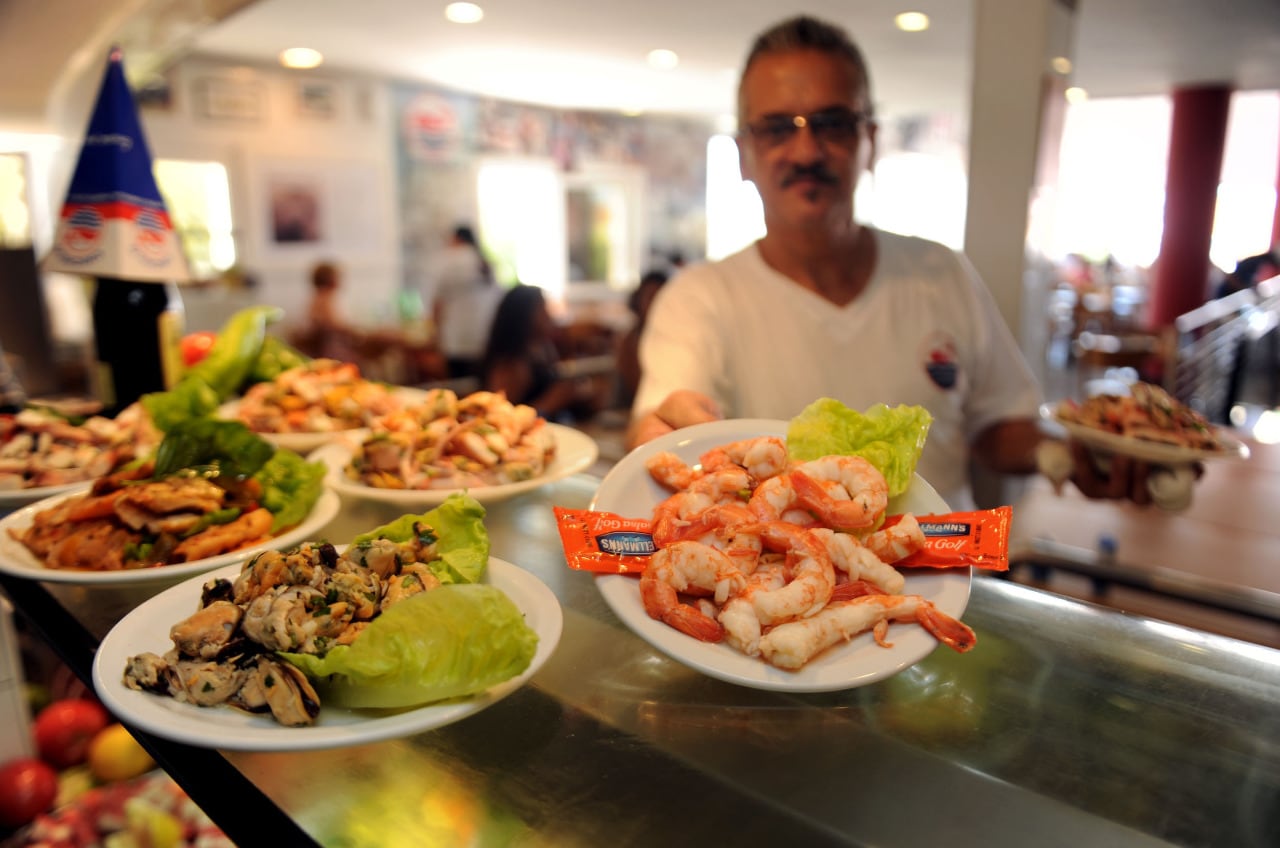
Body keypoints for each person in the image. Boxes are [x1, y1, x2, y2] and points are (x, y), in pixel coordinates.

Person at [628, 14, 1153, 509]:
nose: (807, 150)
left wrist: (1068, 454)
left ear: (869, 141)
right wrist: (664, 435)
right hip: (783, 588)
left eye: (833, 123)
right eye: (777, 128)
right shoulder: (699, 298)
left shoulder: (941, 273)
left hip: (944, 569)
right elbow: (666, 417)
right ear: (744, 153)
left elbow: (999, 423)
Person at [481, 284, 603, 423]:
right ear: (523, 315)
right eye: (542, 308)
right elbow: (500, 420)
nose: (548, 314)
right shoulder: (510, 364)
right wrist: (551, 402)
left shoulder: (541, 349)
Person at [430, 225, 501, 380]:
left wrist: (435, 334)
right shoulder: (484, 261)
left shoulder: (450, 260)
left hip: (457, 338)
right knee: (479, 382)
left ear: (457, 238)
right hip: (484, 336)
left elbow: (438, 302)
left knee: (458, 383)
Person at [615, 269, 669, 408]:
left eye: (660, 298)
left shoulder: (678, 342)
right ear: (638, 301)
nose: (655, 305)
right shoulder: (630, 342)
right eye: (650, 297)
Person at [299, 260, 361, 362]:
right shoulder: (327, 298)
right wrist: (356, 331)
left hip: (321, 348)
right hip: (330, 348)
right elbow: (334, 324)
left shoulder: (316, 298)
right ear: (331, 279)